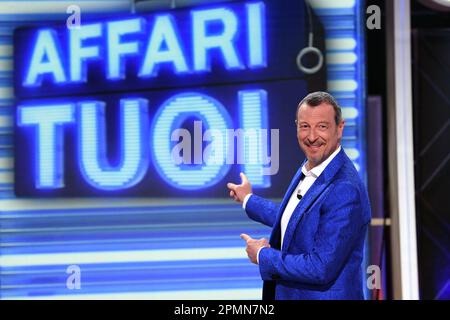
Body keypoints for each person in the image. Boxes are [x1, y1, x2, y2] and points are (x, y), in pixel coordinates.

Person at [227, 91, 371, 300]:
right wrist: (248, 199)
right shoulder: (313, 165)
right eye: (305, 126)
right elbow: (298, 218)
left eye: (322, 126)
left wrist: (262, 255)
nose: (312, 137)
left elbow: (320, 267)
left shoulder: (345, 188)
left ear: (339, 129)